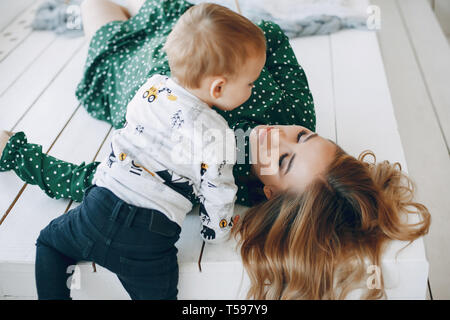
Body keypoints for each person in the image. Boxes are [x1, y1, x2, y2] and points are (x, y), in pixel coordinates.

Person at [0, 0, 430, 299]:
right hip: (190, 46)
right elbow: (271, 38)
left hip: (127, 73)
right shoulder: (294, 107)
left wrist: (16, 153)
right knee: (162, 10)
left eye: (282, 160)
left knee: (102, 16)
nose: (277, 135)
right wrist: (225, 57)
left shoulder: (220, 176)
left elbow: (101, 176)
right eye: (303, 137)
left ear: (270, 194)